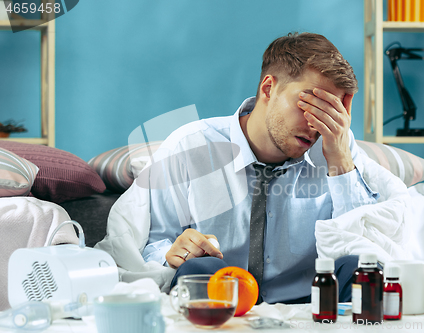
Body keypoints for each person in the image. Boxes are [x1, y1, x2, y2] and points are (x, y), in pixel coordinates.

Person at [101, 32, 405, 304]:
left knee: (365, 267)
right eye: (309, 105)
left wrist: (339, 159)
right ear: (269, 88)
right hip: (222, 299)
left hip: (314, 302)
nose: (316, 125)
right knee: (200, 269)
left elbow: (365, 244)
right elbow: (153, 244)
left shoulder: (335, 145)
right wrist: (173, 254)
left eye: (330, 111)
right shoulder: (191, 146)